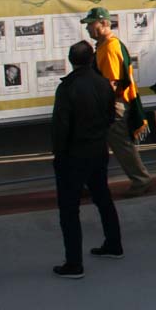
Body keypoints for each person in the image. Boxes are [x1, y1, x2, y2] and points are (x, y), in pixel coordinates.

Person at [50, 41, 123, 278]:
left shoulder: (67, 88)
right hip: (97, 149)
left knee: (69, 209)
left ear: (71, 60)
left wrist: (59, 155)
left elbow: (61, 127)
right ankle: (114, 243)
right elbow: (111, 116)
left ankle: (74, 262)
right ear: (92, 59)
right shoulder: (103, 84)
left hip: (74, 155)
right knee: (103, 197)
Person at [81, 7, 152, 196]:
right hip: (110, 104)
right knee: (97, 146)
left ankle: (141, 180)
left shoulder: (110, 47)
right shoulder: (105, 45)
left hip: (112, 105)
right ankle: (93, 182)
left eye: (91, 24)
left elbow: (111, 84)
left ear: (104, 23)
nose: (87, 28)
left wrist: (98, 106)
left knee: (121, 145)